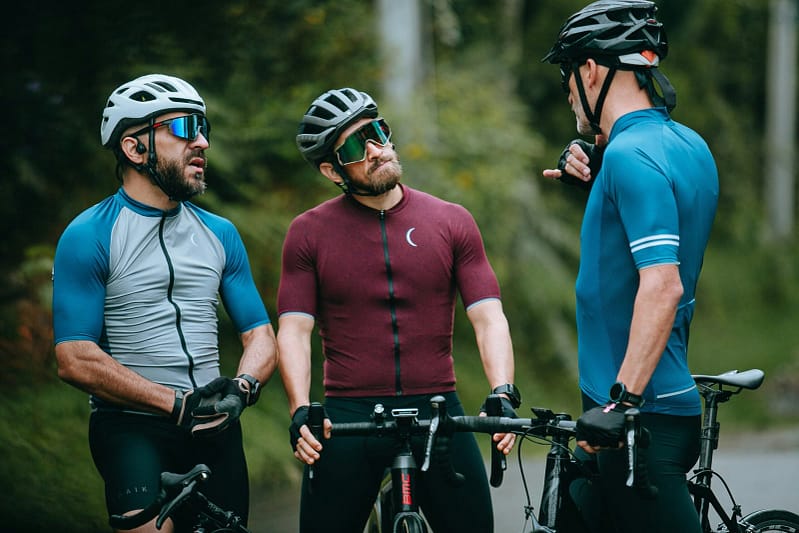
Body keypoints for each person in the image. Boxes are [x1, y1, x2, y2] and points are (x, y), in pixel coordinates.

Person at [277, 87, 521, 533]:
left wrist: (502, 390)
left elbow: (488, 318)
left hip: (437, 409)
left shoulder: (451, 220)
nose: (374, 149)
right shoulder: (308, 233)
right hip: (349, 415)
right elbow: (293, 330)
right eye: (355, 145)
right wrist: (300, 409)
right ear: (333, 170)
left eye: (376, 132)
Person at [52, 74, 277, 532]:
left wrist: (244, 386)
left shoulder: (220, 233)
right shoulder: (89, 235)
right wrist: (175, 404)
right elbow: (74, 358)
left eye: (203, 129)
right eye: (183, 128)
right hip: (131, 429)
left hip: (216, 429)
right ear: (135, 149)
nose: (201, 142)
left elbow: (260, 335)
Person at [541, 1, 719, 532]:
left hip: (638, 415)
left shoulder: (629, 158)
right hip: (643, 408)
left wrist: (621, 404)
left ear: (591, 70)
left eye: (569, 76)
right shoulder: (688, 146)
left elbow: (663, 286)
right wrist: (598, 178)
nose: (568, 91)